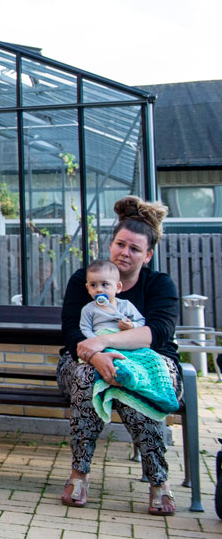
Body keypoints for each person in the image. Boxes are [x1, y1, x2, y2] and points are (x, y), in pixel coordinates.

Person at [58, 196, 181, 515]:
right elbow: (72, 332)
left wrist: (105, 344)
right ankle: (79, 474)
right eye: (120, 244)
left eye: (135, 249)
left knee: (135, 386)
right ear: (111, 244)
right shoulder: (85, 280)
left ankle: (158, 480)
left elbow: (157, 334)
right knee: (88, 376)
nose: (125, 253)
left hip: (150, 363)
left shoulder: (159, 285)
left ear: (148, 254)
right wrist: (96, 357)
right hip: (83, 362)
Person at [78, 259, 145, 341]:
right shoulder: (88, 309)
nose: (99, 290)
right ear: (88, 288)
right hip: (101, 343)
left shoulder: (125, 305)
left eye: (104, 284)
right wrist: (96, 341)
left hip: (124, 341)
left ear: (118, 287)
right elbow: (85, 329)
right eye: (93, 285)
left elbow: (141, 322)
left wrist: (132, 325)